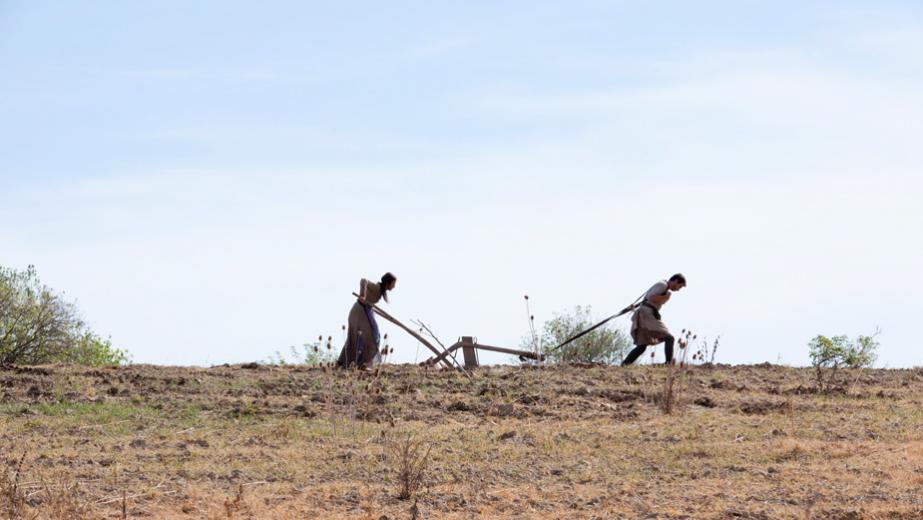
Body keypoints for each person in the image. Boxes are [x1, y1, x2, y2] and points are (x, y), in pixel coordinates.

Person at [622, 273, 686, 365]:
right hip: (647, 315)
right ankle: (668, 364)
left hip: (644, 314)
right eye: (679, 287)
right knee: (669, 338)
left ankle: (625, 364)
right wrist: (666, 296)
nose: (678, 289)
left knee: (642, 345)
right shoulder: (663, 285)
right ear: (676, 281)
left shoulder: (663, 286)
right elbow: (651, 297)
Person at [337, 273, 397, 368]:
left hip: (361, 311)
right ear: (388, 283)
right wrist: (362, 295)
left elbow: (371, 300)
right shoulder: (377, 288)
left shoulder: (381, 291)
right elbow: (363, 281)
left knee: (360, 336)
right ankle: (362, 363)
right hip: (359, 311)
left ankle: (348, 362)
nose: (394, 286)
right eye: (393, 283)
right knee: (370, 336)